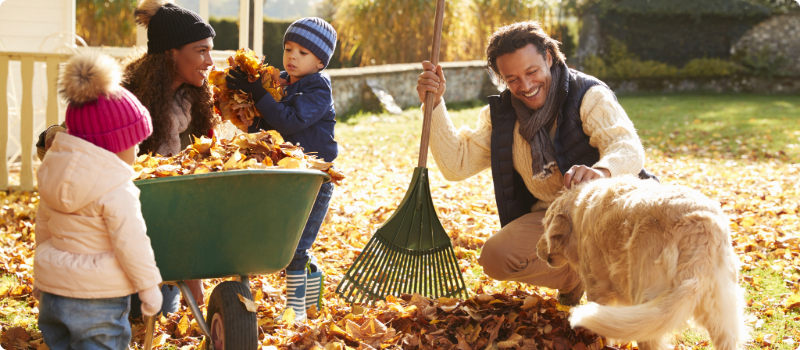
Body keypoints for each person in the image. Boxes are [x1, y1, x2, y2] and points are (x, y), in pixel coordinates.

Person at [415, 21, 656, 306]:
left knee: (617, 298)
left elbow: (627, 147)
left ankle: (611, 279)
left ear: (549, 58)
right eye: (513, 79)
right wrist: (434, 104)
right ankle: (575, 277)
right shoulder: (502, 117)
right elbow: (457, 165)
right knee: (495, 258)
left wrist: (600, 171)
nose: (526, 86)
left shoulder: (588, 95)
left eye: (532, 72)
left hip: (610, 213)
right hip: (554, 216)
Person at [34, 51, 163, 349]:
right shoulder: (117, 188)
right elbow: (131, 243)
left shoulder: (52, 173)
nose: (139, 151)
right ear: (114, 145)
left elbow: (44, 230)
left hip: (55, 296)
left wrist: (42, 281)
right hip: (98, 300)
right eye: (135, 142)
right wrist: (149, 288)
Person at [226, 17, 338, 321]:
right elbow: (270, 124)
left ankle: (296, 308)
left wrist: (261, 95)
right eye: (289, 48)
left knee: (298, 245)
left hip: (314, 179)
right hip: (286, 176)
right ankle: (311, 279)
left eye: (303, 52)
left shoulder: (318, 88)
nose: (292, 56)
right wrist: (250, 105)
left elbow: (290, 121)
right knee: (286, 239)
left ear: (320, 62)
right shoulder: (280, 85)